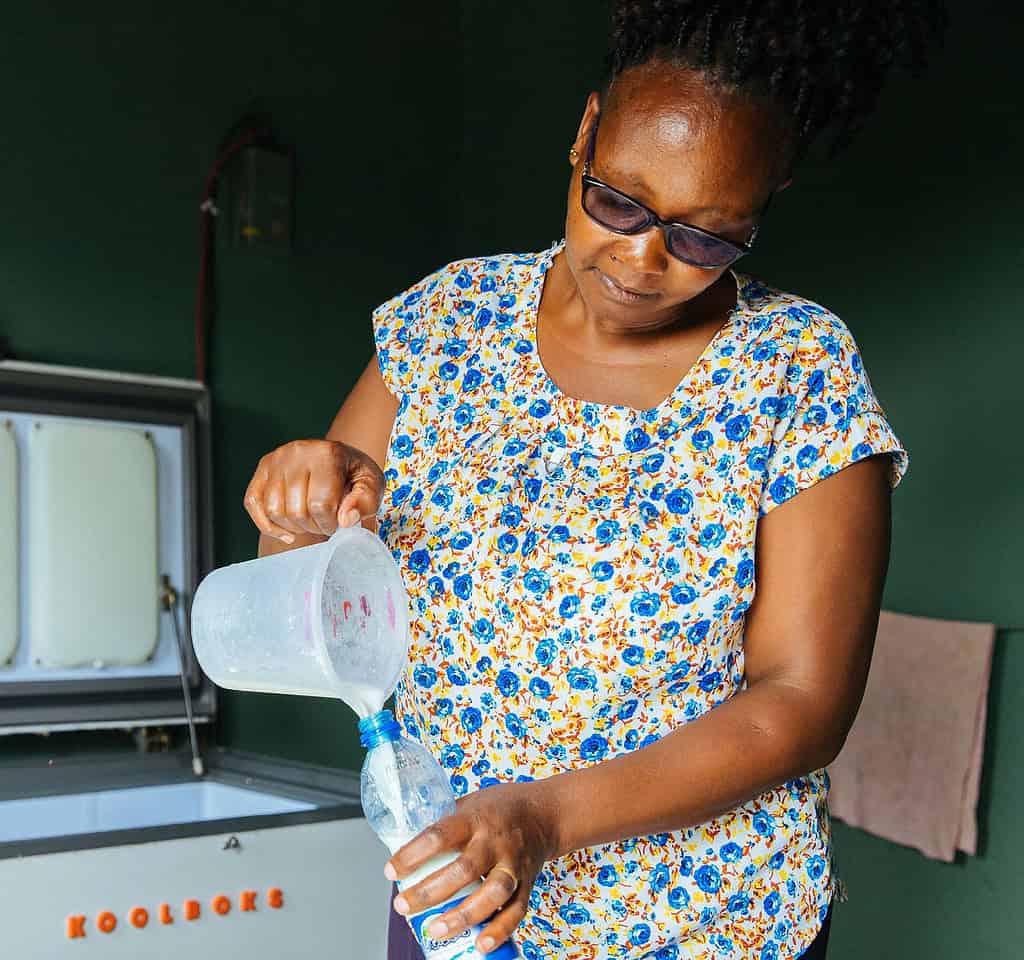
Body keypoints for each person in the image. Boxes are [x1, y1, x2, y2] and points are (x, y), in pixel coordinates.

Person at [244, 2, 945, 957]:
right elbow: (319, 597)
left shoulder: (799, 369)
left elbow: (802, 702)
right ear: (583, 135)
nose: (642, 256)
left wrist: (543, 819)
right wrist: (299, 515)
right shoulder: (450, 319)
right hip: (465, 898)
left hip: (705, 922)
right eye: (618, 200)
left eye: (706, 236)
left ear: (762, 205)